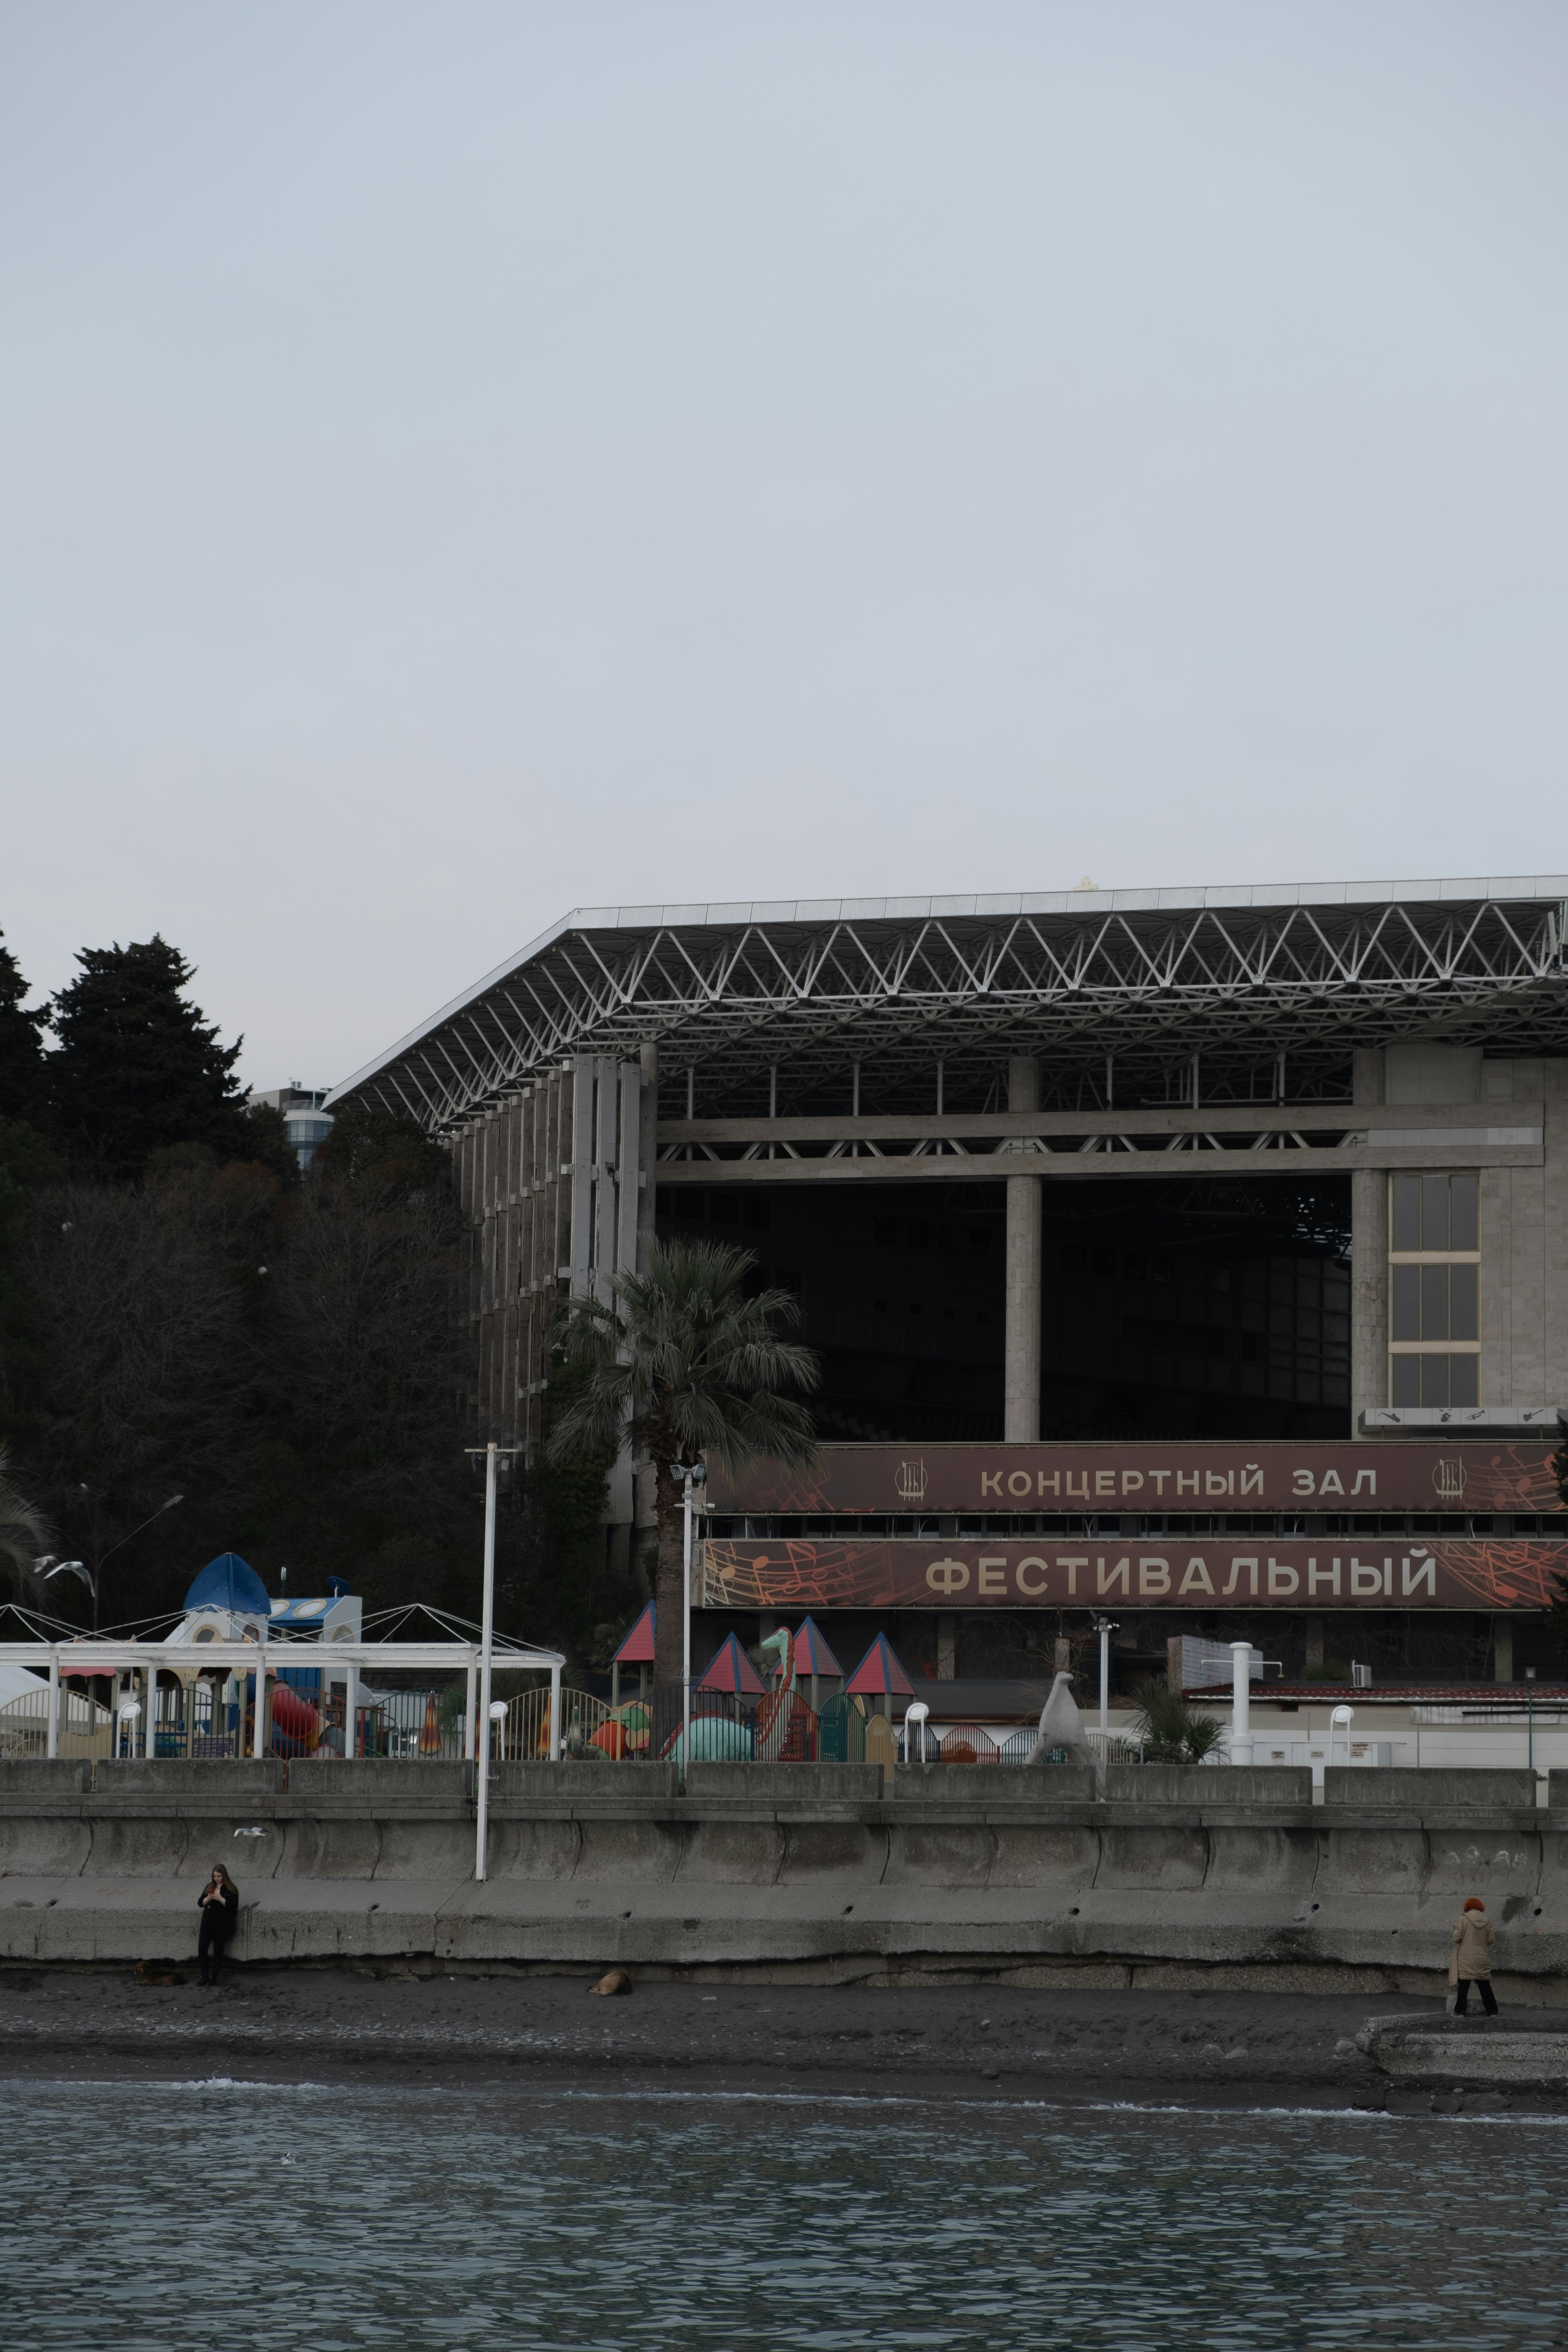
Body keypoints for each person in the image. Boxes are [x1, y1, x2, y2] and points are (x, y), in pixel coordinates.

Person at [1451, 1895, 1498, 2017]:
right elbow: (1491, 1941)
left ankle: (1459, 2012)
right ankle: (1493, 2012)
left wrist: (1455, 1929)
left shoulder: (1463, 1919)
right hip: (1482, 1959)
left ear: (1468, 1908)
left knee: (1464, 1986)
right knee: (1485, 1986)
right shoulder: (1487, 1921)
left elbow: (1456, 1938)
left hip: (1466, 1959)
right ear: (1480, 1908)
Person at [196, 1863, 239, 1986]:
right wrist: (208, 1899)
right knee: (202, 1949)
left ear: (224, 1876)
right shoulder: (210, 1887)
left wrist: (220, 1898)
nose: (217, 1879)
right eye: (215, 1876)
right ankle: (204, 1976)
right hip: (208, 1924)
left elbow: (234, 1906)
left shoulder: (232, 1889)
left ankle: (213, 1978)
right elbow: (200, 1903)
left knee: (218, 1951)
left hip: (223, 1925)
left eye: (219, 1876)